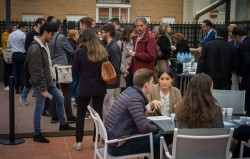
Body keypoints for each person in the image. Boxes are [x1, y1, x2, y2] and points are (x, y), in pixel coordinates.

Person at [27, 22, 75, 143]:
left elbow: (46, 65)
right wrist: (43, 89)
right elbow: (36, 71)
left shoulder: (44, 44)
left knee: (60, 99)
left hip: (48, 81)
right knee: (39, 107)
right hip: (41, 83)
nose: (52, 37)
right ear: (45, 33)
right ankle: (36, 133)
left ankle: (63, 124)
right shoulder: (35, 48)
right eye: (51, 34)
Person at [104, 68, 160, 159]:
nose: (153, 85)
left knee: (153, 137)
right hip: (118, 147)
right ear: (146, 85)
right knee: (159, 139)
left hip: (112, 140)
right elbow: (144, 127)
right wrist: (157, 128)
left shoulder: (129, 91)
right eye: (152, 82)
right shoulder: (136, 99)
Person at [72, 28, 108, 151]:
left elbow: (75, 69)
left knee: (80, 114)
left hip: (85, 86)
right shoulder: (102, 50)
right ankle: (95, 142)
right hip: (100, 86)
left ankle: (79, 142)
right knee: (98, 115)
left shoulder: (80, 51)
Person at [48, 19, 76, 123]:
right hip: (63, 68)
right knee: (66, 91)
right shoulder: (61, 37)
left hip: (52, 67)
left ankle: (54, 116)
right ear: (59, 26)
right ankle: (69, 116)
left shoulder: (48, 37)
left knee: (53, 90)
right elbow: (71, 50)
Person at [196, 25, 236, 90]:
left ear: (216, 34)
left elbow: (201, 62)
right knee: (223, 99)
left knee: (209, 98)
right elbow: (234, 64)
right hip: (225, 81)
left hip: (209, 79)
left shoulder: (207, 45)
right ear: (227, 35)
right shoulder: (231, 47)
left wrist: (197, 75)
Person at [19, 18, 46, 107]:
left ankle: (44, 98)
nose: (44, 25)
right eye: (43, 23)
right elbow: (26, 47)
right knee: (29, 81)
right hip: (32, 61)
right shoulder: (31, 34)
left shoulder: (43, 33)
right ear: (38, 24)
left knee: (38, 80)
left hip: (42, 61)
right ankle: (23, 97)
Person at [100, 23, 121, 121]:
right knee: (108, 104)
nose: (101, 34)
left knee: (102, 102)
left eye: (103, 32)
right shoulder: (110, 45)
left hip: (110, 80)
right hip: (111, 80)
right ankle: (111, 123)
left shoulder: (114, 47)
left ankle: (106, 124)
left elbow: (115, 66)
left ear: (107, 33)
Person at [232, 27, 250, 116]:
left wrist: (241, 74)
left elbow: (247, 61)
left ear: (237, 36)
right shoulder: (248, 41)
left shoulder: (244, 44)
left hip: (248, 77)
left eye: (235, 38)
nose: (236, 41)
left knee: (247, 99)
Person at [7, 22, 28, 94]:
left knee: (15, 72)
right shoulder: (23, 34)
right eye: (25, 28)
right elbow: (25, 44)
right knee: (22, 73)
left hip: (14, 54)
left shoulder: (11, 34)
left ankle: (16, 89)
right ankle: (22, 89)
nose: (25, 29)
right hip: (22, 54)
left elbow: (8, 46)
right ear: (22, 27)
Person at [116, 25, 134, 93]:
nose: (133, 34)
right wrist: (123, 68)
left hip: (131, 67)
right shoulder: (120, 43)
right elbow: (118, 57)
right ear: (128, 33)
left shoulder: (132, 41)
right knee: (124, 88)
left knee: (130, 87)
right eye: (132, 32)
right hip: (124, 68)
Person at [1, 24, 16, 91]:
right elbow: (7, 43)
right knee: (7, 70)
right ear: (11, 28)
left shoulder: (13, 35)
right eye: (14, 28)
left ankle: (10, 84)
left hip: (12, 54)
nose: (15, 30)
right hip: (6, 54)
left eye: (16, 28)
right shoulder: (5, 34)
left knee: (11, 70)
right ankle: (6, 85)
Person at [67, 29, 79, 105]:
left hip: (72, 64)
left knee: (74, 80)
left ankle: (73, 95)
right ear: (73, 35)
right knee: (73, 80)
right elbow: (72, 54)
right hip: (72, 64)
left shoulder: (72, 42)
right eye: (77, 34)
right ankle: (72, 95)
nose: (78, 35)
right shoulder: (71, 43)